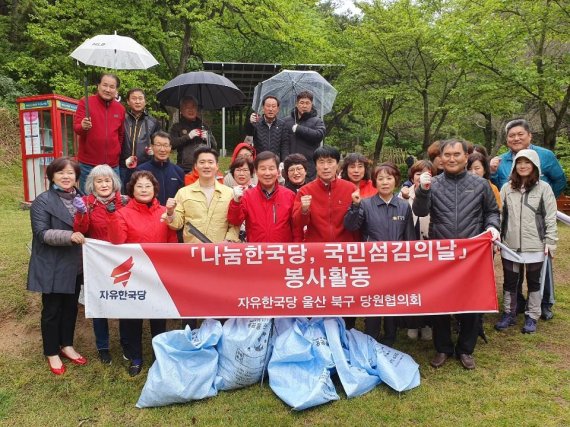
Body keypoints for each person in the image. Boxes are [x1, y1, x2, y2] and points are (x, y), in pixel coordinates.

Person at [413, 139, 500, 370]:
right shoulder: (434, 183)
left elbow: (492, 211)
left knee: (471, 302)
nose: (452, 159)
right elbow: (420, 211)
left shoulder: (480, 185)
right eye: (447, 155)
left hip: (472, 255)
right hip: (441, 253)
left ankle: (466, 349)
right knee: (441, 302)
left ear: (466, 156)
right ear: (440, 158)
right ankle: (442, 348)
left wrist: (493, 227)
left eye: (457, 154)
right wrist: (422, 190)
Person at [490, 119, 566, 320]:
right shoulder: (501, 161)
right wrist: (492, 171)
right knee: (512, 274)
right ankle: (515, 307)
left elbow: (559, 179)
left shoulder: (545, 156)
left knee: (538, 273)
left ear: (529, 135)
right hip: (512, 232)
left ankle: (544, 304)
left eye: (520, 134)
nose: (516, 138)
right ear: (506, 139)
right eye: (511, 135)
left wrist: (542, 203)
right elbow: (499, 193)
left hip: (535, 229)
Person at [107, 171, 177, 376]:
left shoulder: (165, 212)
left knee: (158, 318)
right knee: (133, 318)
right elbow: (117, 240)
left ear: (155, 189)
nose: (144, 189)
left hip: (159, 273)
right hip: (134, 274)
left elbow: (172, 242)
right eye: (139, 186)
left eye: (148, 185)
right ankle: (135, 357)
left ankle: (158, 356)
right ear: (132, 190)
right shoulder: (122, 213)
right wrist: (112, 216)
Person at [27, 157, 87, 375]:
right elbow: (41, 233)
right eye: (61, 173)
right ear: (52, 175)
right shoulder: (43, 201)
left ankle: (67, 345)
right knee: (52, 309)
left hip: (75, 264)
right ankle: (52, 352)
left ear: (76, 177)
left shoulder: (82, 198)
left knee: (71, 307)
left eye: (70, 173)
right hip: (52, 264)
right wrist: (70, 236)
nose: (66, 177)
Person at [344, 163, 415, 346]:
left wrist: (410, 264)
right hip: (372, 264)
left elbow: (409, 238)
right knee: (373, 302)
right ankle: (371, 338)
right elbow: (351, 226)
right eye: (380, 178)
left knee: (391, 302)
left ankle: (390, 337)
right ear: (374, 182)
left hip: (396, 264)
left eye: (389, 178)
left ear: (396, 181)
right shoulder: (365, 204)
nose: (385, 182)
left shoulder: (404, 206)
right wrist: (354, 206)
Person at [292, 146, 359, 329]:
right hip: (317, 252)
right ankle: (318, 330)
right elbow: (297, 223)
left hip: (344, 251)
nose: (326, 167)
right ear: (315, 166)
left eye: (330, 162)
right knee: (319, 293)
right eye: (321, 162)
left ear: (338, 165)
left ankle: (347, 330)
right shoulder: (305, 191)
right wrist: (304, 210)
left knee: (344, 293)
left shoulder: (350, 188)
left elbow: (357, 222)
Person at [494, 150, 558, 334]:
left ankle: (532, 316)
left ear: (535, 165)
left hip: (536, 245)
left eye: (527, 162)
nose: (523, 166)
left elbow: (550, 218)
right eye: (519, 162)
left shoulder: (544, 188)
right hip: (510, 245)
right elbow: (500, 215)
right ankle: (509, 313)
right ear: (514, 165)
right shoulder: (506, 188)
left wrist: (550, 242)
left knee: (534, 282)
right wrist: (498, 238)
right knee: (510, 282)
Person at [73, 165, 127, 364]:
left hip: (120, 261)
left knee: (124, 299)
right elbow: (81, 229)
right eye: (99, 181)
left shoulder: (124, 201)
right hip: (96, 261)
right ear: (92, 184)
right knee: (100, 302)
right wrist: (81, 214)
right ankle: (103, 346)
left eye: (107, 180)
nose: (104, 185)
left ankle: (125, 342)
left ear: (114, 182)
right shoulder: (86, 203)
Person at [164, 146, 239, 244]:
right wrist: (170, 212)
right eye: (202, 162)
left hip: (220, 252)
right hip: (193, 253)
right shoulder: (184, 193)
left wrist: (228, 241)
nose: (206, 166)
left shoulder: (229, 193)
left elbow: (235, 223)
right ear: (195, 166)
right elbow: (176, 225)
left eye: (210, 162)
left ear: (217, 166)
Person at [399, 159, 437, 340]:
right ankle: (412, 324)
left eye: (426, 173)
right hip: (409, 248)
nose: (421, 177)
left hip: (431, 246)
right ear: (412, 176)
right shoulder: (403, 194)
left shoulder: (436, 193)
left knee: (430, 288)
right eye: (417, 174)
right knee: (411, 287)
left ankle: (428, 323)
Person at [228, 151, 298, 242]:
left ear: (278, 171)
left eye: (271, 168)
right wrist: (236, 202)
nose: (267, 173)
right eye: (263, 168)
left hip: (282, 252)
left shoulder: (289, 195)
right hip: (257, 252)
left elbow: (296, 227)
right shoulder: (247, 196)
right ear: (256, 172)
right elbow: (235, 221)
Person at [73, 73, 126, 191]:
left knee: (113, 200)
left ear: (116, 89)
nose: (108, 89)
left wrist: (116, 151)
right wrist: (83, 126)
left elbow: (120, 134)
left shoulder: (120, 109)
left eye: (112, 87)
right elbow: (77, 128)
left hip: (112, 164)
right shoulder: (85, 102)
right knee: (87, 200)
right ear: (98, 86)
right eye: (105, 85)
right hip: (88, 164)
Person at [120, 88, 161, 190]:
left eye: (140, 98)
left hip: (145, 166)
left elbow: (159, 142)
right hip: (123, 165)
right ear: (128, 102)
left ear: (145, 101)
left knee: (143, 193)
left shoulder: (153, 122)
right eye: (134, 98)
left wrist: (154, 150)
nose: (137, 101)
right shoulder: (121, 119)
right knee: (124, 195)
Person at [283, 91, 326, 181]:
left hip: (309, 166)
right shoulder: (286, 121)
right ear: (297, 104)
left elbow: (319, 135)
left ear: (311, 104)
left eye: (307, 103)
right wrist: (284, 161)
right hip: (290, 165)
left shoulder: (317, 121)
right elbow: (284, 143)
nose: (304, 106)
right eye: (302, 103)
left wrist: (299, 129)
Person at [170, 96, 217, 173]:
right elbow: (172, 144)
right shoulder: (177, 126)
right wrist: (188, 136)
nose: (191, 110)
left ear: (197, 109)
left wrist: (208, 138)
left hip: (203, 168)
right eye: (187, 107)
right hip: (184, 168)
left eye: (193, 107)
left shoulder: (204, 126)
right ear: (181, 110)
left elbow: (214, 146)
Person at [136, 131, 185, 206]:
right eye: (158, 145)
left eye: (166, 145)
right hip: (148, 214)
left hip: (172, 214)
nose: (162, 149)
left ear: (170, 147)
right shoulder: (141, 170)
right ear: (152, 147)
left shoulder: (178, 172)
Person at [246, 96, 290, 160]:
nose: (270, 109)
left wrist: (284, 163)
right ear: (263, 108)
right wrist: (250, 124)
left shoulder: (282, 125)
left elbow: (284, 146)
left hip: (275, 162)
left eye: (273, 106)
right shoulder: (256, 123)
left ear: (278, 109)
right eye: (268, 106)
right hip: (259, 161)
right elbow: (249, 137)